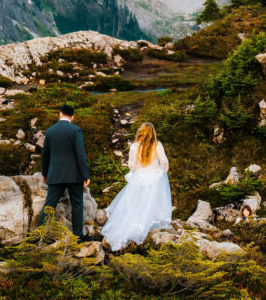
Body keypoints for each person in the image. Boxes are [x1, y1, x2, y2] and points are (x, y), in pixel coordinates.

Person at [101, 122, 172, 252]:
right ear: (152, 134)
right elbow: (164, 161)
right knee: (151, 202)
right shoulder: (157, 145)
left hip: (139, 178)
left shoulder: (134, 146)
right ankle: (149, 225)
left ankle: (130, 228)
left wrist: (137, 171)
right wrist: (163, 171)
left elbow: (132, 165)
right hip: (153, 179)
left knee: (135, 203)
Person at [39, 104, 90, 240]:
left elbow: (45, 155)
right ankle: (78, 236)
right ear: (72, 117)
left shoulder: (50, 131)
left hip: (55, 174)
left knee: (49, 204)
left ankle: (39, 235)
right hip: (74, 175)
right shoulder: (75, 130)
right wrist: (85, 174)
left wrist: (45, 174)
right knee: (77, 204)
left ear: (60, 114)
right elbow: (81, 154)